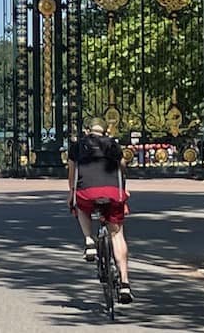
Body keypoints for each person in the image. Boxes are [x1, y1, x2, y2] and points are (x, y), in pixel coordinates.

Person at [67, 118, 133, 304]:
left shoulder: (78, 146)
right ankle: (125, 283)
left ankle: (89, 241)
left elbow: (72, 174)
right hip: (113, 192)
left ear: (88, 130)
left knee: (81, 206)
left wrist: (71, 192)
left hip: (87, 191)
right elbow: (122, 168)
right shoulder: (113, 145)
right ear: (105, 131)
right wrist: (123, 189)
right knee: (117, 234)